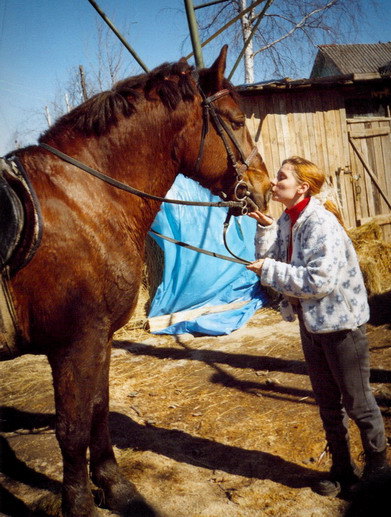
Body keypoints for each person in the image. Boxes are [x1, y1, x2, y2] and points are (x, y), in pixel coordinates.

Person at [246, 156, 389, 497]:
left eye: (281, 178)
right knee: (327, 403)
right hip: (312, 325)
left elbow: (318, 281)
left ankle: (379, 469)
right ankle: (342, 469)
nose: (274, 183)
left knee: (359, 402)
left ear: (302, 187)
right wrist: (267, 228)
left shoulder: (320, 224)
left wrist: (270, 270)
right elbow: (276, 264)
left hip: (341, 327)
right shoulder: (288, 221)